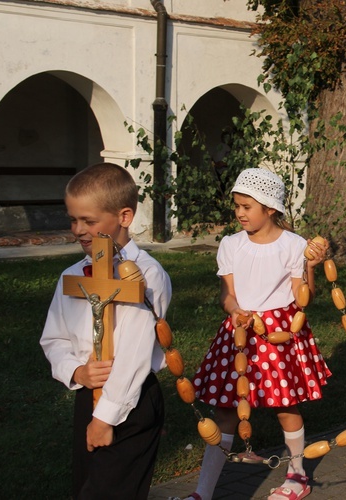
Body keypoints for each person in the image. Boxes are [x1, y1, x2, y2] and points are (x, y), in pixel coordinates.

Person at [183, 168, 331, 500]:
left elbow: (303, 295)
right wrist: (234, 310)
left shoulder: (293, 245)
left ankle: (297, 476)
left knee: (285, 405)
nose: (239, 213)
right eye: (237, 205)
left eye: (247, 206)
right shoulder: (231, 244)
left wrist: (310, 266)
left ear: (270, 208)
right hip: (239, 332)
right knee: (226, 409)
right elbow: (227, 294)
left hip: (279, 332)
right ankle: (203, 492)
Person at [40, 162, 172, 499]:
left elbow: (134, 355)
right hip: (88, 392)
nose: (79, 230)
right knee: (85, 486)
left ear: (124, 216)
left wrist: (106, 417)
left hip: (130, 399)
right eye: (73, 219)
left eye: (90, 220)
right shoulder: (73, 276)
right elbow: (53, 337)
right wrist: (76, 370)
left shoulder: (145, 275)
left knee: (111, 491)